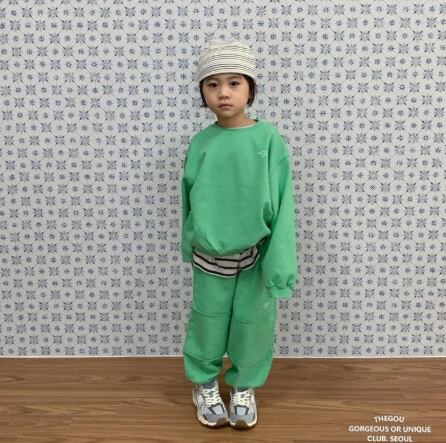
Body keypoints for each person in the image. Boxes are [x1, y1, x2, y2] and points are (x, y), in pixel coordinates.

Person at [180, 38, 298, 429]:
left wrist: (280, 265)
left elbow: (282, 205)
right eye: (212, 84)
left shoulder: (268, 141)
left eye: (234, 83)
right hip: (209, 255)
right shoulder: (201, 143)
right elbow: (188, 201)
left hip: (256, 256)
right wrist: (189, 243)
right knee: (207, 322)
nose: (223, 93)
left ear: (250, 89)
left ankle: (244, 387)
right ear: (202, 92)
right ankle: (204, 384)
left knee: (253, 326)